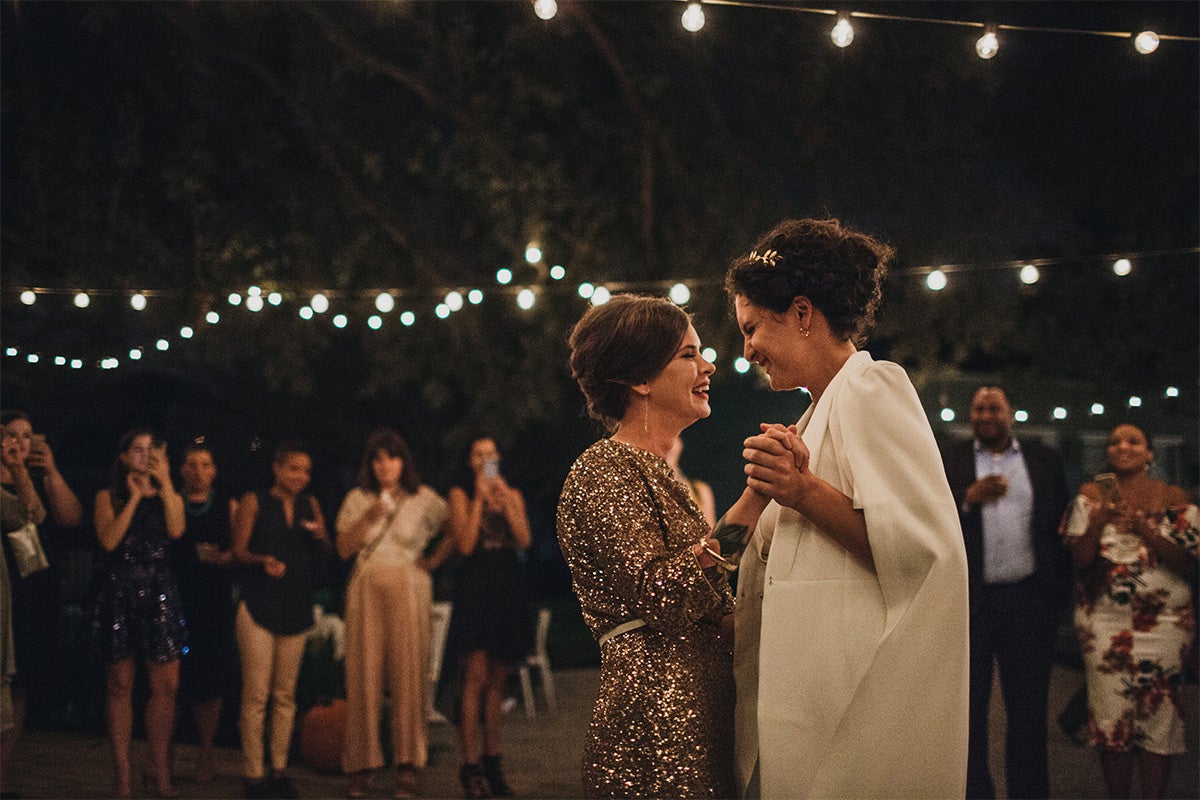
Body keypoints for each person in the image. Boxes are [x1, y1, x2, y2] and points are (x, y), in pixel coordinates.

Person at [727, 218, 970, 799]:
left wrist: (802, 490)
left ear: (804, 314)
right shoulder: (813, 416)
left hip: (852, 699)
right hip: (805, 694)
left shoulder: (871, 388)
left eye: (753, 327)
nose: (747, 350)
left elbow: (929, 553)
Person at [557, 294, 770, 799]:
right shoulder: (601, 471)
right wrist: (755, 499)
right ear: (640, 379)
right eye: (688, 355)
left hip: (703, 717)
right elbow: (664, 597)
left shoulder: (667, 478)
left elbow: (713, 613)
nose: (708, 364)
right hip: (652, 728)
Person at [941, 385, 1071, 799]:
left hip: (1028, 601)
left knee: (1029, 715)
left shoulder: (1042, 460)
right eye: (978, 408)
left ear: (1010, 412)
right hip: (972, 604)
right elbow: (930, 520)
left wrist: (1059, 599)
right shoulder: (952, 460)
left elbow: (1061, 528)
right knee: (970, 714)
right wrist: (967, 500)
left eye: (994, 407)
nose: (986, 415)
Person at [1060, 423, 1198, 799]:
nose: (1123, 446)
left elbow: (1186, 562)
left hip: (1165, 624)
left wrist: (1145, 529)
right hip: (1105, 623)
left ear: (1150, 454)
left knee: (1161, 717)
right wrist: (1100, 521)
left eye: (1133, 441)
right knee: (1111, 719)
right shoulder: (1090, 496)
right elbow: (1080, 559)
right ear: (1107, 453)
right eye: (1115, 441)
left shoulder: (1174, 497)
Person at [336, 429, 451, 800]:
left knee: (409, 674)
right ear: (371, 464)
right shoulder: (358, 498)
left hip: (408, 582)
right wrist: (370, 514)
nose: (385, 466)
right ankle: (361, 763)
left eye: (392, 458)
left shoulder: (424, 499)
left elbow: (456, 529)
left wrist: (432, 560)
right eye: (378, 459)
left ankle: (407, 764)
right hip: (366, 582)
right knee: (363, 675)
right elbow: (342, 548)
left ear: (404, 461)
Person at [232, 442, 332, 800]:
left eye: (305, 471)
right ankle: (253, 774)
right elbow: (239, 551)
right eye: (293, 469)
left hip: (296, 605)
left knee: (284, 695)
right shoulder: (254, 501)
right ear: (277, 469)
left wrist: (320, 535)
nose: (300, 477)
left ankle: (279, 770)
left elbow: (327, 553)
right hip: (259, 604)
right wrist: (263, 561)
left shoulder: (311, 504)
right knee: (256, 693)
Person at [91, 430, 187, 799]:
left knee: (167, 686)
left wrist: (163, 486)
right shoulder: (107, 495)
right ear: (124, 455)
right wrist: (132, 498)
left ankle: (159, 768)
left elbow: (177, 529)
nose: (145, 456)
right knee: (120, 684)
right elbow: (110, 540)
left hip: (160, 592)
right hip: (121, 592)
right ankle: (124, 775)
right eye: (138, 449)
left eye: (152, 450)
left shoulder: (167, 496)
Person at [443, 435, 533, 799]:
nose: (485, 459)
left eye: (491, 453)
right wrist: (480, 498)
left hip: (506, 585)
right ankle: (470, 766)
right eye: (478, 454)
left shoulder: (512, 493)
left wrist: (505, 499)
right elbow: (464, 545)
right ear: (469, 461)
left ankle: (494, 761)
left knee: (498, 680)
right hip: (476, 587)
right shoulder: (459, 495)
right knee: (475, 678)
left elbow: (525, 539)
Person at [0, 410, 83, 779]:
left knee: (22, 682)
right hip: (4, 588)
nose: (20, 442)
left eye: (27, 435)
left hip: (33, 589)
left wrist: (48, 471)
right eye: (11, 434)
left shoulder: (32, 478)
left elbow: (65, 517)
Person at [172, 442, 239, 784]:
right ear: (182, 469)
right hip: (175, 598)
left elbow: (241, 551)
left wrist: (225, 558)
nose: (199, 471)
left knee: (209, 682)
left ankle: (206, 755)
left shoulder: (229, 505)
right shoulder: (170, 502)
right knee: (170, 681)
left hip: (213, 601)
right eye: (192, 464)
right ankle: (163, 758)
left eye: (206, 464)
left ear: (214, 470)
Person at [665, 435, 717, 528]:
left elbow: (710, 534)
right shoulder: (642, 489)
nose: (668, 445)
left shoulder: (699, 490)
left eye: (675, 435)